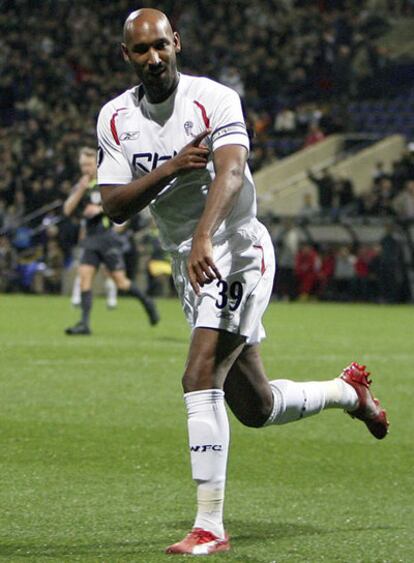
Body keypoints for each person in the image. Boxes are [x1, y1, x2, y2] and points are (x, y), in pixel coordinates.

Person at [97, 9, 389, 555]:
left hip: (235, 249)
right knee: (255, 408)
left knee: (197, 374)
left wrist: (206, 235)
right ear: (126, 56)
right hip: (191, 263)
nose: (154, 57)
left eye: (161, 45)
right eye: (141, 50)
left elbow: (231, 170)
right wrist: (172, 169)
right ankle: (348, 392)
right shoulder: (114, 118)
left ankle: (210, 525)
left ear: (177, 42)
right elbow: (113, 204)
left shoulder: (214, 99)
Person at [64, 147, 159, 335]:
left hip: (107, 239)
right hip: (90, 239)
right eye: (82, 165)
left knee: (121, 283)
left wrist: (99, 210)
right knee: (84, 278)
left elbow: (122, 206)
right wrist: (80, 189)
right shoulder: (82, 186)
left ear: (96, 164)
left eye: (88, 165)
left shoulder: (106, 183)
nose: (85, 169)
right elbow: (67, 210)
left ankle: (147, 302)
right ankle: (84, 323)